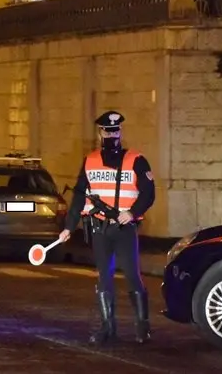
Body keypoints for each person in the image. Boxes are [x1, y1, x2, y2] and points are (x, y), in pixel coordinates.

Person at [57, 110, 156, 345]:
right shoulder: (90, 161)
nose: (112, 134)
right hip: (100, 228)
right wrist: (69, 227)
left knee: (132, 275)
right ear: (100, 132)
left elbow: (149, 193)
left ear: (121, 131)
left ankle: (142, 327)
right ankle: (107, 328)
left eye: (116, 130)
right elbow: (79, 197)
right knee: (104, 277)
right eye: (107, 130)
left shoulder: (137, 160)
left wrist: (131, 213)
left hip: (125, 228)